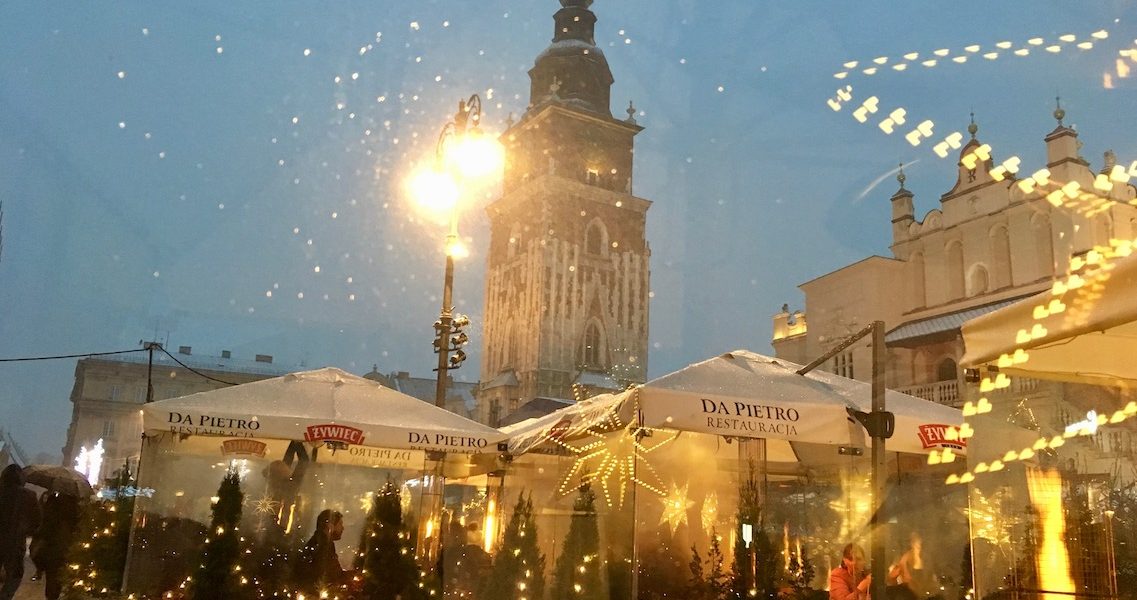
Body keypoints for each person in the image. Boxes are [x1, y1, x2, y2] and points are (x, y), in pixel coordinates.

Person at [0, 464, 42, 600]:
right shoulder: (29, 495)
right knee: (15, 575)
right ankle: (5, 596)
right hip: (15, 542)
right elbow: (37, 520)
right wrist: (26, 530)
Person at [295, 509, 355, 595]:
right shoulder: (323, 546)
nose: (343, 528)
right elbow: (331, 575)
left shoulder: (322, 542)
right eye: (340, 524)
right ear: (330, 526)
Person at [34, 493, 81, 600]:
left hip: (52, 548)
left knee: (52, 577)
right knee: (59, 578)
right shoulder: (75, 510)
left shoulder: (54, 505)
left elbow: (46, 528)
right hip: (67, 549)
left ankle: (51, 596)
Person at [888, 532, 931, 600]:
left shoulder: (926, 558)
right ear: (912, 543)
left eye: (920, 541)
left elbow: (930, 577)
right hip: (909, 595)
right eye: (916, 541)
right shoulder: (904, 559)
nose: (919, 543)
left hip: (925, 595)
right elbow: (892, 577)